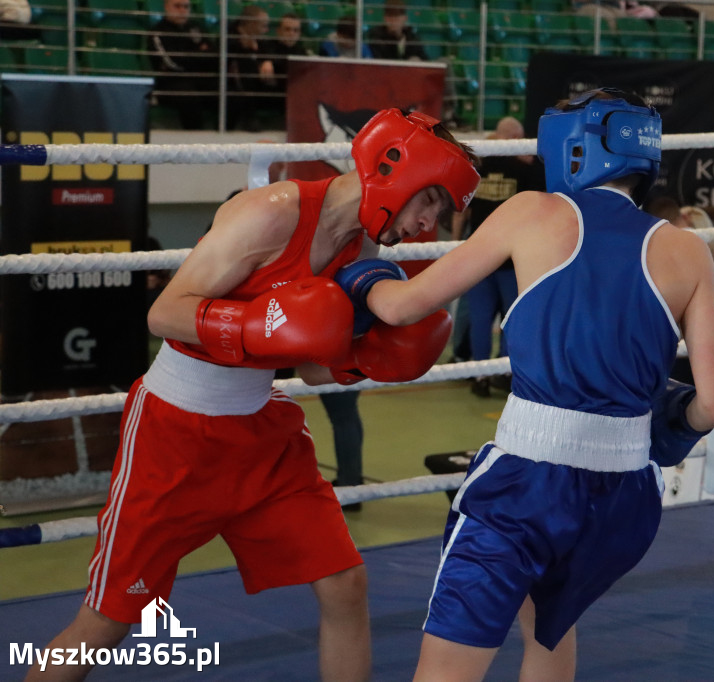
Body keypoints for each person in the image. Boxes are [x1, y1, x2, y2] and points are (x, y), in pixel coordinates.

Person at [25, 108, 480, 681]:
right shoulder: (270, 214)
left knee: (345, 584)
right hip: (175, 433)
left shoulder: (364, 250)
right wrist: (249, 327)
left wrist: (364, 360)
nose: (426, 225)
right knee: (109, 620)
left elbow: (313, 367)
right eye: (429, 202)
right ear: (395, 170)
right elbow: (163, 313)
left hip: (263, 436)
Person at [336, 88, 714, 682]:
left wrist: (356, 274)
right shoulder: (686, 250)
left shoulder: (532, 213)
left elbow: (399, 308)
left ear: (569, 149)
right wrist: (664, 426)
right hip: (626, 498)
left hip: (527, 481)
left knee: (449, 664)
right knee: (550, 628)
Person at [451, 116, 543, 397]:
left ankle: (479, 376)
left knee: (480, 319)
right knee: (509, 319)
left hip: (480, 254)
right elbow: (539, 212)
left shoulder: (479, 167)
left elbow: (461, 209)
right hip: (509, 257)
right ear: (516, 138)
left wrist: (456, 244)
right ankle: (503, 373)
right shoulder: (526, 171)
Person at [148, 0, 216, 130]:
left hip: (199, 79)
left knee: (227, 91)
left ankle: (228, 138)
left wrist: (188, 57)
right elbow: (171, 63)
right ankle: (194, 141)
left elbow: (213, 55)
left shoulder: (197, 28)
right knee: (188, 96)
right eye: (177, 6)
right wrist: (199, 54)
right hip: (170, 82)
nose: (182, 10)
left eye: (186, 7)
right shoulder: (158, 32)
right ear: (166, 7)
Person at [227, 4, 274, 131]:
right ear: (251, 24)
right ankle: (249, 118)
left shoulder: (260, 39)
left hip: (257, 84)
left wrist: (267, 61)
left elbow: (267, 52)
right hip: (230, 86)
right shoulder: (229, 36)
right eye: (263, 25)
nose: (266, 30)